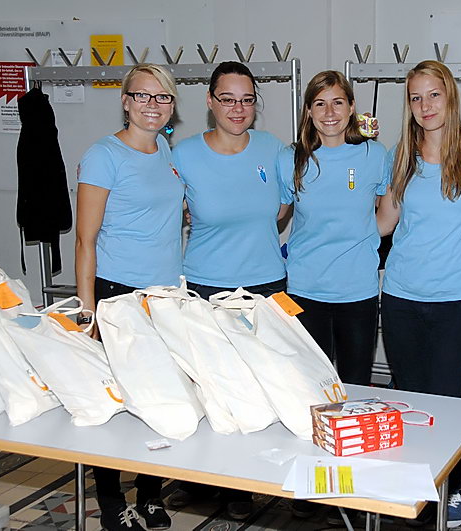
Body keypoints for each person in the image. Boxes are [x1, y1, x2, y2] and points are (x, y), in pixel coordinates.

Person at [376, 60, 461, 528]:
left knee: (446, 404)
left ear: (450, 97)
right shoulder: (400, 156)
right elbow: (384, 223)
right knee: (409, 402)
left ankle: (453, 487)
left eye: (433, 95)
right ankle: (413, 487)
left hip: (455, 302)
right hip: (401, 298)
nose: (425, 106)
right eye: (415, 97)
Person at [168, 61, 286, 521]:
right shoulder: (183, 154)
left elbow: (282, 209)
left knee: (256, 388)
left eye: (247, 99)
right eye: (228, 99)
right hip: (205, 285)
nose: (238, 108)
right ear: (210, 101)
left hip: (263, 286)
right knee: (207, 385)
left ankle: (243, 483)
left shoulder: (273, 149)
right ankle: (199, 478)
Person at [75, 63, 181, 531]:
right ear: (125, 101)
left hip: (163, 296)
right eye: (142, 96)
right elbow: (85, 241)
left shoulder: (165, 151)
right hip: (117, 295)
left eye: (163, 97)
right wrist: (87, 310)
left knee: (157, 398)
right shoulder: (104, 155)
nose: (152, 105)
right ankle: (110, 501)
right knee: (115, 401)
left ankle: (151, 494)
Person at [277, 70, 387, 386]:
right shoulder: (291, 158)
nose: (329, 112)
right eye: (320, 103)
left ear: (351, 107)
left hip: (358, 291)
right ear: (309, 111)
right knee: (313, 386)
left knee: (356, 384)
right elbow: (275, 214)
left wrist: (364, 236)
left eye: (338, 102)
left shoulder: (374, 154)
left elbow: (389, 210)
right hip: (305, 289)